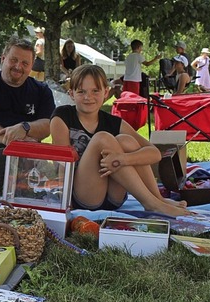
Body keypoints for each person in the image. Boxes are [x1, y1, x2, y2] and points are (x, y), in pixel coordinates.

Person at [50, 64, 190, 217]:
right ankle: (151, 203)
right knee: (102, 138)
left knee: (126, 141)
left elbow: (155, 153)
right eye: (81, 91)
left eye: (95, 91)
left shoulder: (114, 122)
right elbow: (61, 165)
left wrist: (123, 159)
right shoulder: (62, 116)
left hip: (114, 197)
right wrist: (63, 205)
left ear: (106, 92)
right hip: (82, 196)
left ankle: (156, 199)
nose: (88, 97)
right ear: (71, 94)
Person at [0, 36, 55, 193]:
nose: (18, 66)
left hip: (26, 151)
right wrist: (15, 142)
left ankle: (19, 172)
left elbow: (48, 125)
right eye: (14, 60)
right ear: (3, 58)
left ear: (31, 65)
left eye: (25, 63)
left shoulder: (42, 91)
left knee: (50, 173)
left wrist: (25, 127)